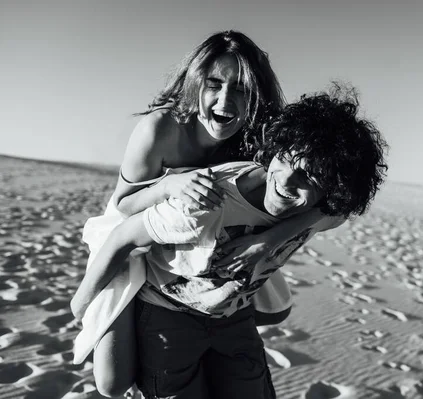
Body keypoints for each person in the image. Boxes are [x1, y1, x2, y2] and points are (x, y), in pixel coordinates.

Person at [71, 86, 388, 398]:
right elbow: (123, 236)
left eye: (309, 177)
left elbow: (339, 211)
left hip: (232, 317)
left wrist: (267, 241)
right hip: (168, 313)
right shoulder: (204, 205)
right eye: (286, 160)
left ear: (332, 191)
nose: (287, 181)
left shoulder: (323, 209)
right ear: (274, 151)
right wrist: (81, 303)